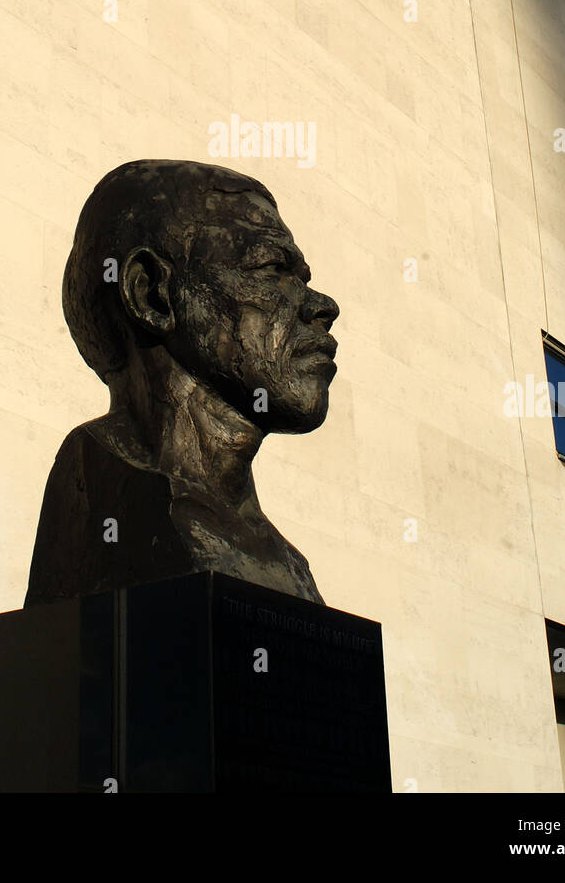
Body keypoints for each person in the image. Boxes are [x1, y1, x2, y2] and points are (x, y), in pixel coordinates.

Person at [25, 160, 339, 606]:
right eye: (271, 268)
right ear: (151, 294)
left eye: (302, 278)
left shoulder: (290, 567)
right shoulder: (111, 495)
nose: (324, 305)